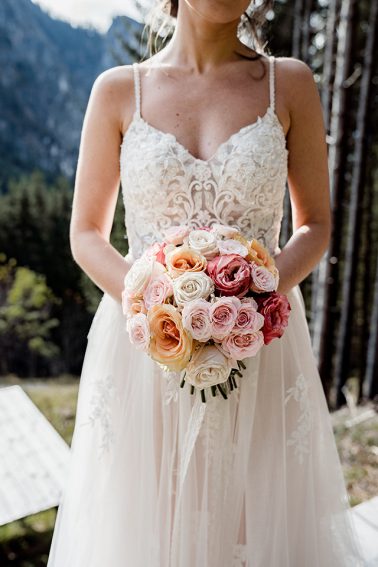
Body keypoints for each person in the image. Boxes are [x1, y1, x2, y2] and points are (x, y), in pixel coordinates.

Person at [46, 1, 365, 566]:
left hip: (258, 345)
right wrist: (155, 302)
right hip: (147, 348)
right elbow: (87, 234)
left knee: (251, 527)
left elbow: (314, 225)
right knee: (148, 531)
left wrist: (253, 300)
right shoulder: (119, 90)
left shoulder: (286, 84)